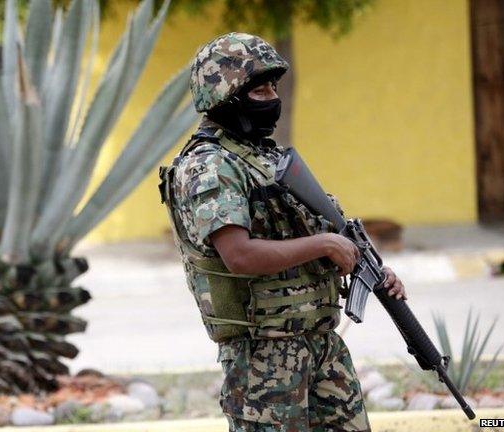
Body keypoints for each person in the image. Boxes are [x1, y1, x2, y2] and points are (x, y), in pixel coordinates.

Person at [158, 32, 407, 432]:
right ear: (225, 96)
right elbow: (239, 256)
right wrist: (325, 243)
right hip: (264, 360)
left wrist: (367, 267)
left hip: (321, 344)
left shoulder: (269, 159)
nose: (272, 98)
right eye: (259, 89)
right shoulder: (209, 167)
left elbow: (320, 235)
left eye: (274, 87)